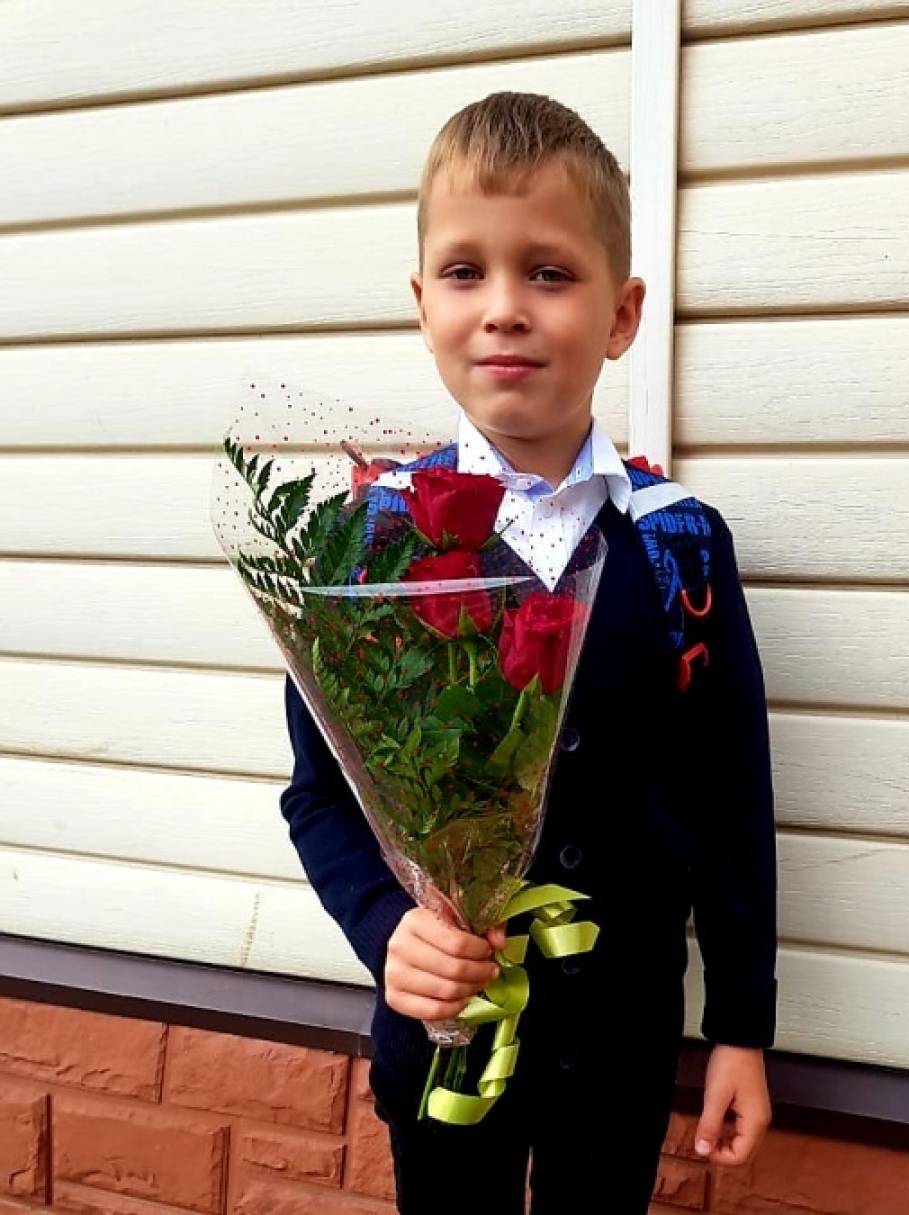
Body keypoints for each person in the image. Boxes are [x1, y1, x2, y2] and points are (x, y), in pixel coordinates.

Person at [279, 90, 777, 1214]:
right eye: (466, 272)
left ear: (621, 313)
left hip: (622, 1047)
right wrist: (386, 931)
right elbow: (320, 793)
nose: (504, 308)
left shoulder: (681, 547)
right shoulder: (368, 546)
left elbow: (730, 797)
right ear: (423, 303)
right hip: (445, 1040)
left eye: (549, 273)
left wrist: (742, 1026)